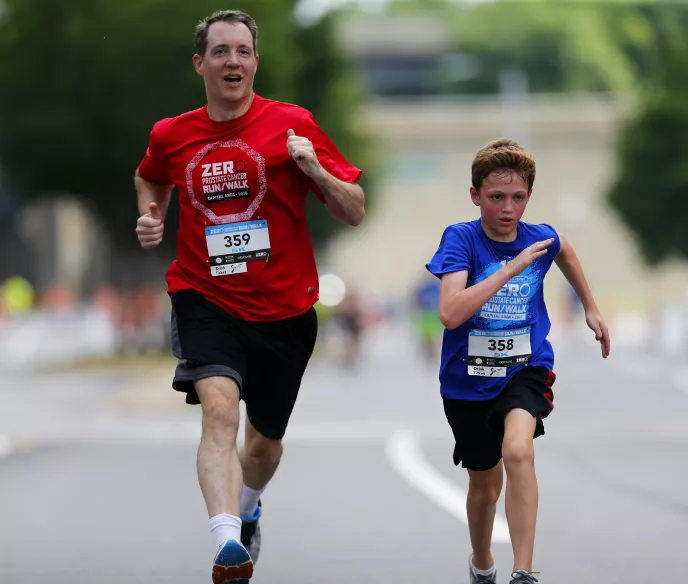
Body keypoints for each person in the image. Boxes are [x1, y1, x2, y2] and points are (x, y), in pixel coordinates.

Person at [134, 10, 365, 584]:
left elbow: (354, 208)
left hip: (285, 310)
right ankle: (227, 543)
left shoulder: (292, 125)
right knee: (218, 412)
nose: (232, 61)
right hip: (203, 294)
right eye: (220, 52)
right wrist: (152, 212)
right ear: (200, 63)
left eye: (242, 51)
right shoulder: (173, 133)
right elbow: (151, 174)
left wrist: (315, 169)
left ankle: (251, 507)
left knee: (263, 446)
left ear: (255, 61)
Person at [425, 139, 610, 584]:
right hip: (467, 379)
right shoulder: (460, 239)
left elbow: (564, 248)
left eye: (518, 197)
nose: (508, 208)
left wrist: (591, 307)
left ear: (529, 196)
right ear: (475, 196)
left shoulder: (539, 235)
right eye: (496, 197)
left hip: (524, 367)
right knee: (484, 486)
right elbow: (450, 314)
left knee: (518, 450)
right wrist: (509, 268)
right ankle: (482, 563)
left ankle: (523, 572)